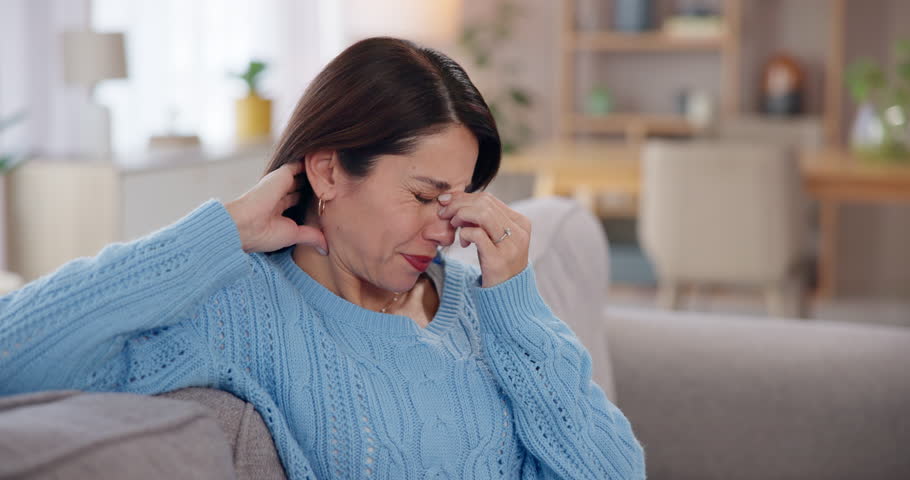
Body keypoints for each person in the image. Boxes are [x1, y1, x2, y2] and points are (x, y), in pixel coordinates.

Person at [0, 37, 645, 479]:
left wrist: (518, 306)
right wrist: (219, 231)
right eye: (424, 195)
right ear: (329, 171)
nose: (445, 228)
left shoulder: (490, 304)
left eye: (458, 198)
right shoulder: (245, 309)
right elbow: (12, 349)